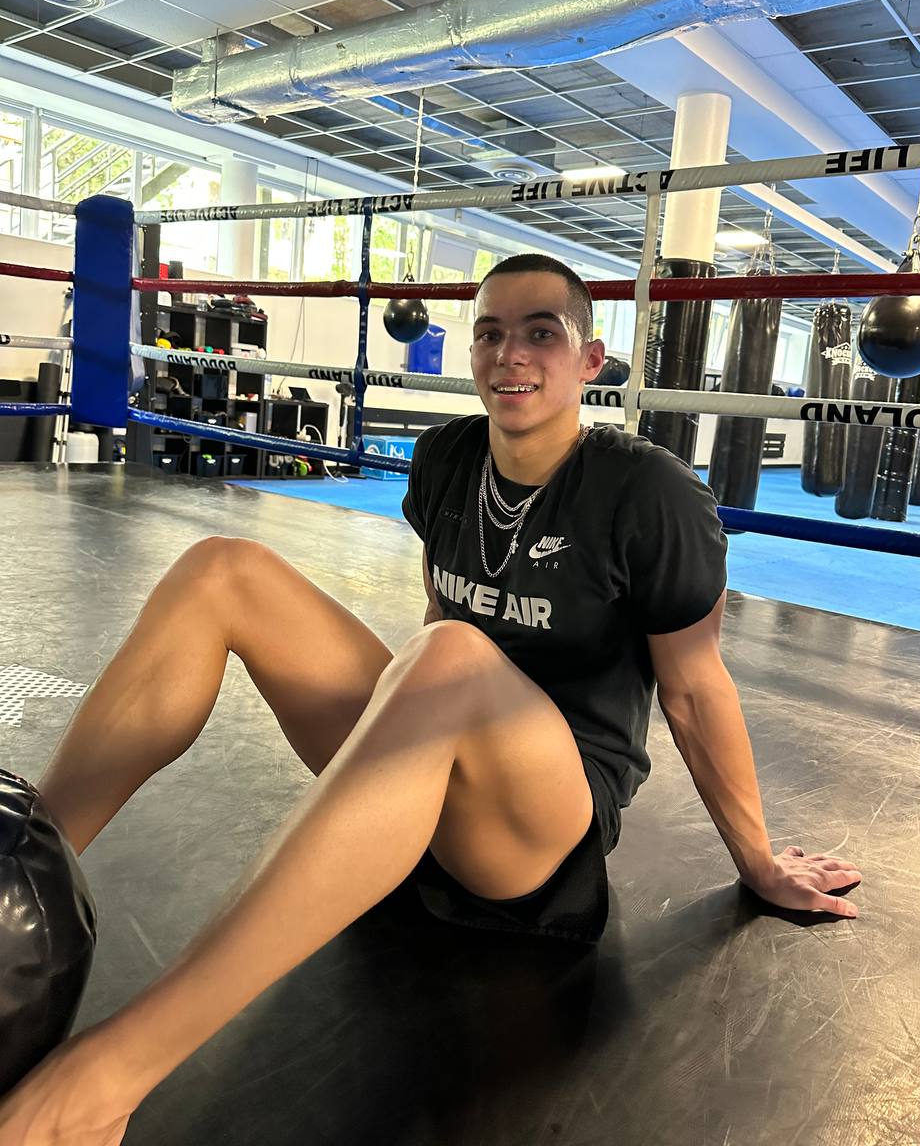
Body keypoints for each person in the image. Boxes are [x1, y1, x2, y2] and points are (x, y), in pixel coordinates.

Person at [0, 253, 862, 1145]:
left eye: (540, 333)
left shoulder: (650, 493)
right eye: (490, 332)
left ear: (589, 361)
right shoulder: (447, 458)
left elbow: (694, 688)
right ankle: (14, 884)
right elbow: (439, 611)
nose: (510, 353)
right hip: (435, 772)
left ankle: (106, 1081)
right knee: (223, 569)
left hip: (539, 836)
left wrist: (758, 862)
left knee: (448, 654)